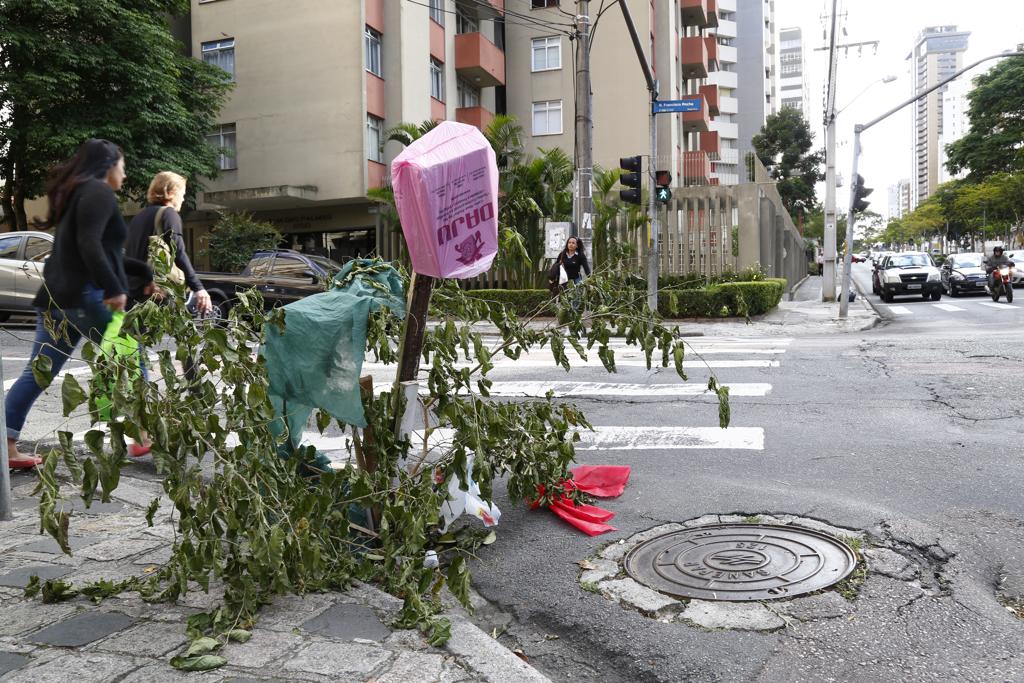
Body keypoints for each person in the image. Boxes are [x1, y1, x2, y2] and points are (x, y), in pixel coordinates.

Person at [5, 139, 155, 468]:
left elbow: (103, 254)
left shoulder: (79, 196)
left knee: (38, 373)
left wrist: (142, 272)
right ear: (108, 165)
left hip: (56, 301)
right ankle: (145, 435)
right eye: (123, 166)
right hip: (85, 297)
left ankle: (7, 447)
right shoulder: (98, 192)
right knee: (131, 356)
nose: (125, 174)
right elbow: (90, 246)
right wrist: (115, 289)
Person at [124, 172, 211, 314]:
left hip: (132, 293)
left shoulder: (138, 218)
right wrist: (198, 288)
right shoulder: (169, 214)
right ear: (171, 193)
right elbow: (179, 253)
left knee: (134, 335)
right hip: (154, 293)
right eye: (182, 194)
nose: (183, 199)